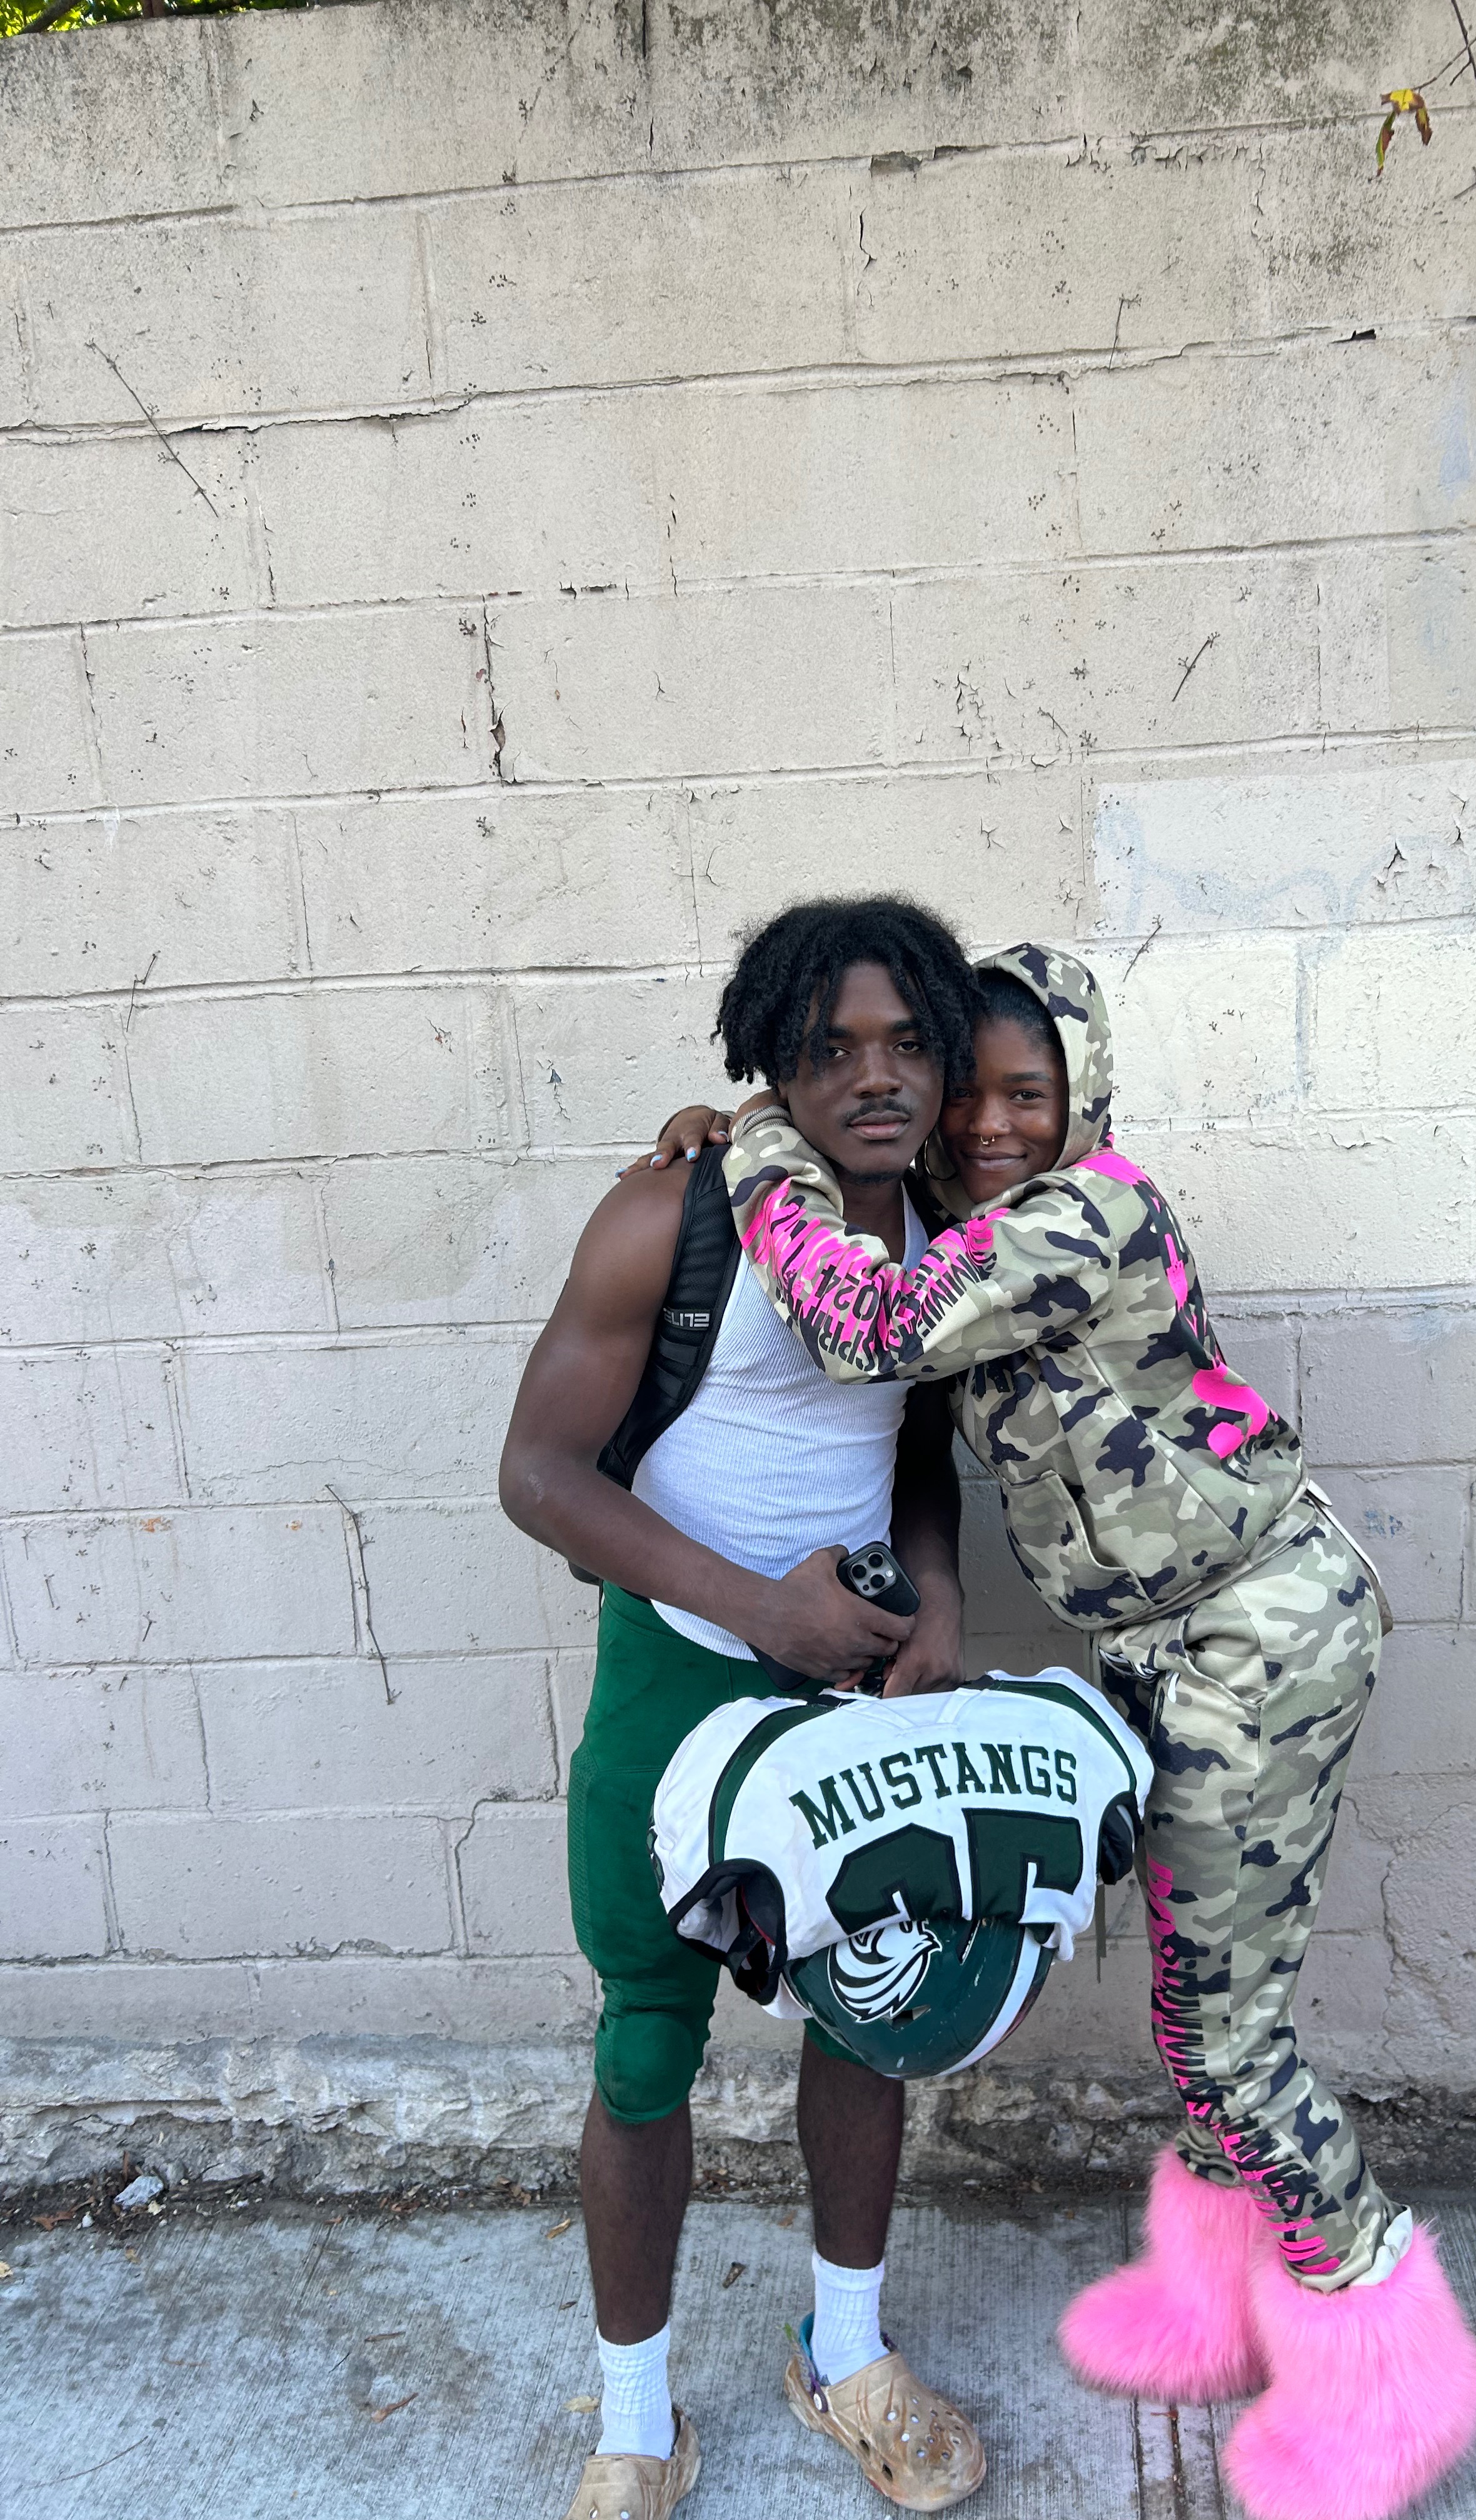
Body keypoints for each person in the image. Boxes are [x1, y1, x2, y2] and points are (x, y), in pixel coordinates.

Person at [650, 944, 1476, 2520]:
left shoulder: (1088, 1213)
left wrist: (759, 1138)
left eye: (1028, 1094)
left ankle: (1387, 2378)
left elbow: (865, 1327)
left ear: (1081, 1096)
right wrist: (743, 1125)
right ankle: (1221, 2296)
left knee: (1228, 2036)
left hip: (1258, 1632)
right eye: (967, 1092)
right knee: (1200, 2007)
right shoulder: (980, 1217)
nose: (990, 1123)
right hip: (1167, 1644)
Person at [500, 899, 991, 2520]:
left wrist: (941, 1593)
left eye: (907, 1043)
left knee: (869, 2016)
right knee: (647, 2043)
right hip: (679, 1679)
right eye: (832, 1047)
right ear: (773, 1063)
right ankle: (636, 2421)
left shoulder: (944, 1235)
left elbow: (917, 1448)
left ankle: (844, 2352)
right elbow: (537, 1473)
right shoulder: (676, 1213)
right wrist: (758, 1605)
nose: (875, 1077)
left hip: (850, 1686)